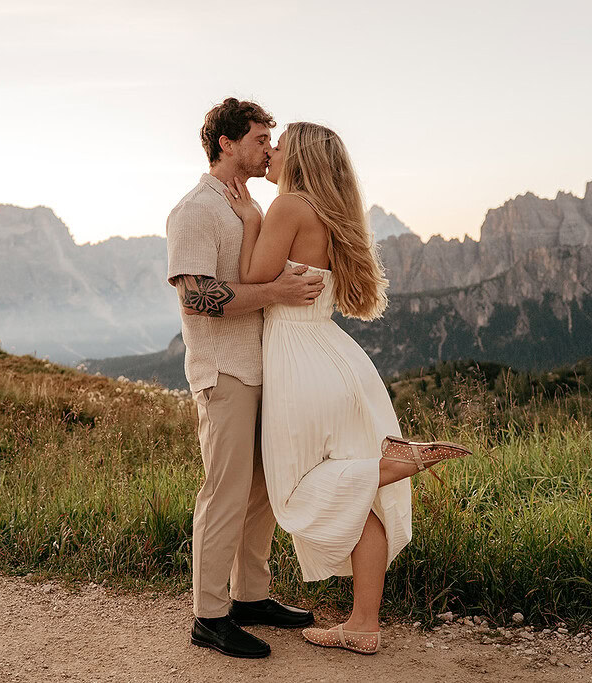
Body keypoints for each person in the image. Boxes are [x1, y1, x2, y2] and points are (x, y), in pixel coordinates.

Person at [223, 121, 471, 655]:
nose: (271, 150)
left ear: (302, 155)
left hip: (298, 361)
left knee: (293, 486)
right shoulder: (331, 213)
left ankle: (386, 466)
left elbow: (252, 279)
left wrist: (248, 215)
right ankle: (363, 624)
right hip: (337, 358)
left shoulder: (289, 208)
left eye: (280, 143)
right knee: (361, 502)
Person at [166, 98, 326, 659]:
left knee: (261, 488)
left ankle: (250, 598)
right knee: (225, 492)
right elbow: (196, 298)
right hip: (224, 370)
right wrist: (275, 293)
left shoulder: (250, 204)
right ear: (227, 143)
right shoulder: (196, 210)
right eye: (260, 139)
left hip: (264, 367)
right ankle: (209, 616)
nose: (268, 149)